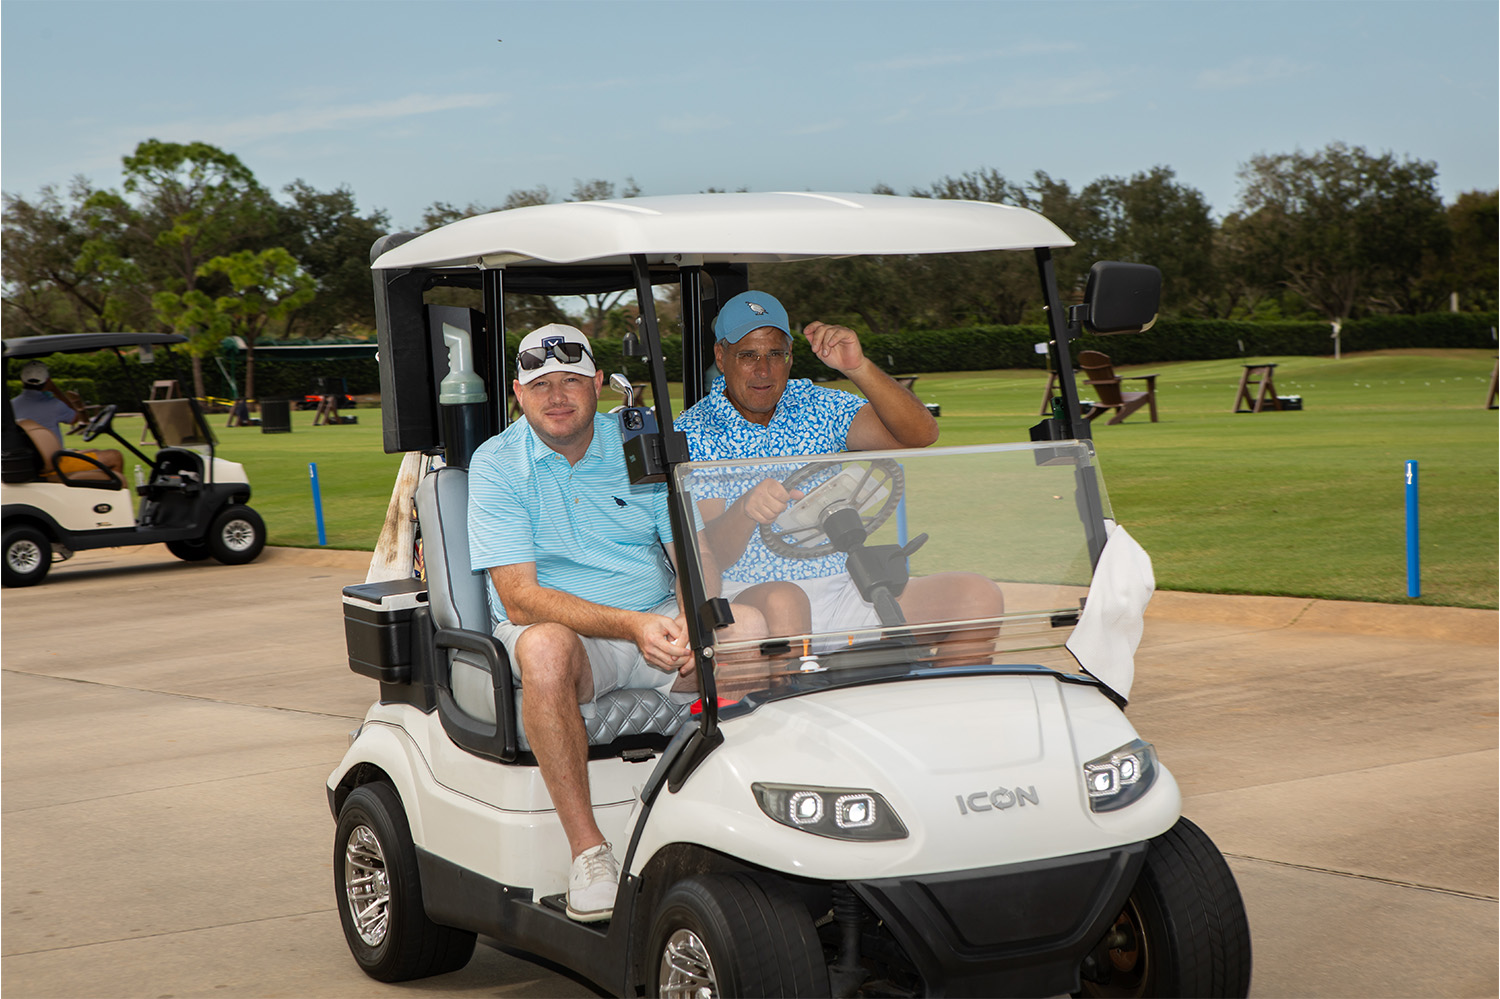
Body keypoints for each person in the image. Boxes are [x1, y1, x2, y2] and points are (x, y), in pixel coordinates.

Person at [468, 323, 764, 924]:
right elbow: (520, 598)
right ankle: (589, 853)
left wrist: (689, 615)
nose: (557, 396)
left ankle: (730, 824)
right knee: (545, 649)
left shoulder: (640, 440)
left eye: (572, 381)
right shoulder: (497, 463)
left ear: (598, 384)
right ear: (518, 395)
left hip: (652, 622)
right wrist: (632, 626)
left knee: (749, 627)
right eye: (540, 384)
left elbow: (692, 551)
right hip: (576, 640)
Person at [676, 291, 1004, 644]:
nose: (763, 370)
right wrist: (745, 511)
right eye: (748, 355)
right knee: (786, 601)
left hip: (845, 586)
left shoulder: (817, 404)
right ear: (721, 357)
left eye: (775, 354)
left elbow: (920, 433)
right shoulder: (694, 431)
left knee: (977, 597)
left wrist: (856, 368)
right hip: (753, 596)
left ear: (790, 357)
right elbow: (709, 557)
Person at [10, 361, 125, 478]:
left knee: (93, 450)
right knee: (115, 456)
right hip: (53, 463)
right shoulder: (54, 404)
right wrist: (56, 390)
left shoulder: (11, 405)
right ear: (47, 380)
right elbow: (74, 418)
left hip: (31, 461)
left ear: (22, 380)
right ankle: (117, 491)